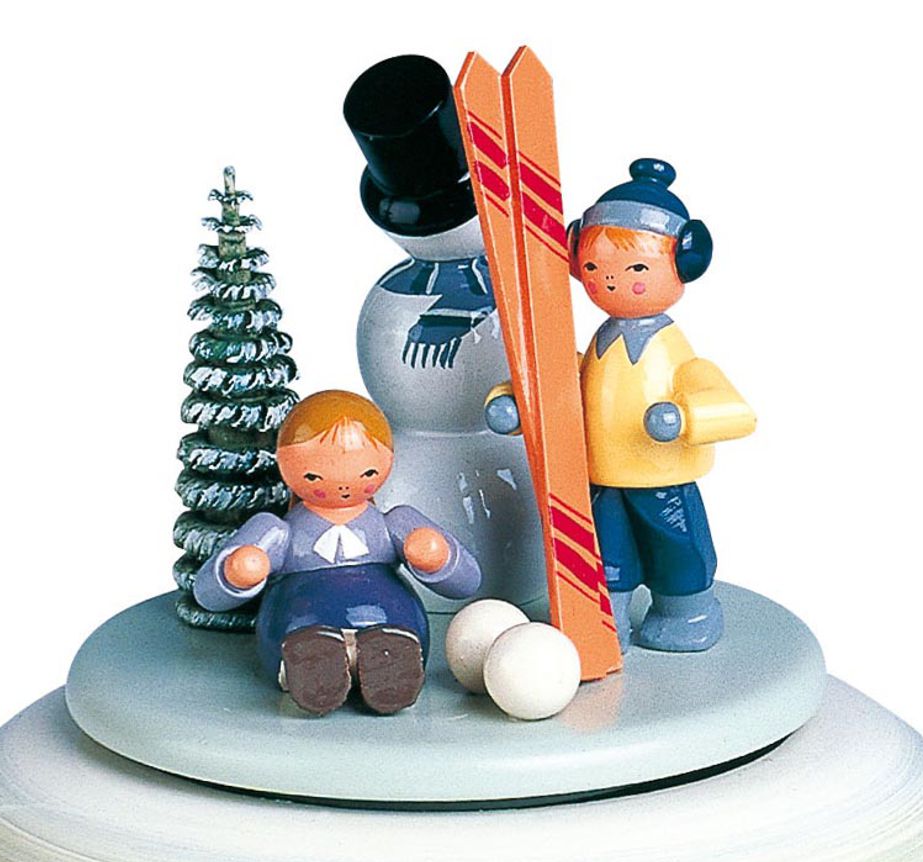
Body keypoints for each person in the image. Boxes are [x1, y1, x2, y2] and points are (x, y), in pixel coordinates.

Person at [488, 159, 756, 651]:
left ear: (685, 263)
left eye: (635, 269)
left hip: (662, 482)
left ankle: (690, 614)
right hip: (601, 482)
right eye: (593, 269)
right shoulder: (597, 347)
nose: (609, 281)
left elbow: (735, 410)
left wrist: (686, 416)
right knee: (604, 553)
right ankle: (604, 621)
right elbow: (555, 377)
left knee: (678, 551)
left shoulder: (675, 354)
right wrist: (514, 401)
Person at [193, 389, 480, 714]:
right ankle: (314, 668)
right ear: (284, 463)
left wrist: (437, 558)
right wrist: (236, 572)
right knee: (305, 643)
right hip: (298, 624)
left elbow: (467, 583)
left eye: (366, 473)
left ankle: (391, 665)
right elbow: (207, 595)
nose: (342, 486)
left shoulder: (395, 524)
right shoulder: (276, 532)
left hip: (390, 623)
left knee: (392, 641)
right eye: (314, 475)